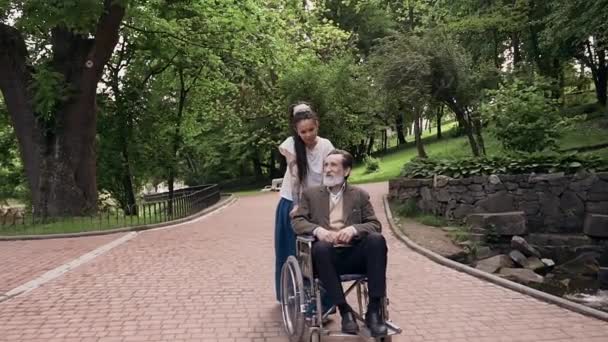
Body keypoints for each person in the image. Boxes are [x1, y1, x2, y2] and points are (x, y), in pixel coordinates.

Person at [292, 149, 389, 337]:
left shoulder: (359, 195)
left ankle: (374, 311)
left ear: (346, 171)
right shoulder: (310, 195)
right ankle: (344, 311)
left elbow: (374, 224)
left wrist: (353, 230)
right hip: (326, 259)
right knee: (321, 247)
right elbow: (297, 221)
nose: (328, 169)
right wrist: (317, 230)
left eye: (333, 165)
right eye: (326, 165)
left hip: (353, 254)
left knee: (377, 240)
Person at [274, 102, 335, 303]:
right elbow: (295, 178)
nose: (307, 135)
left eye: (311, 130)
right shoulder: (291, 145)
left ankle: (323, 302)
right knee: (292, 251)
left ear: (317, 124)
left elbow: (331, 176)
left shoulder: (326, 146)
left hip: (316, 204)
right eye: (303, 132)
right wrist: (297, 206)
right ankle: (293, 298)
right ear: (296, 130)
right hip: (293, 201)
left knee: (320, 252)